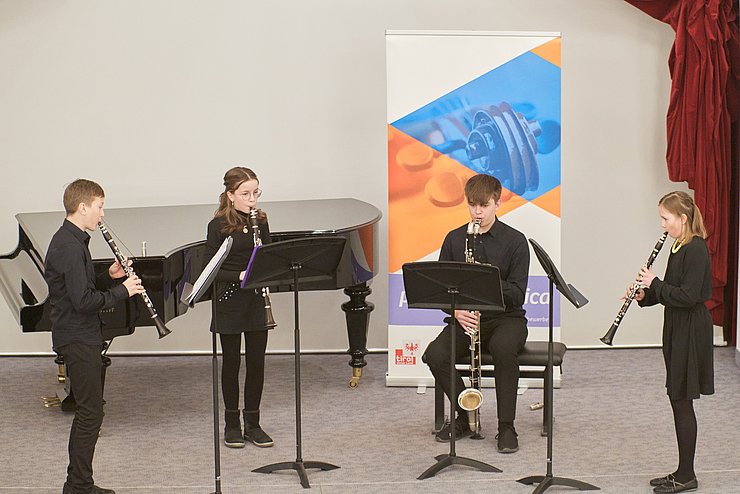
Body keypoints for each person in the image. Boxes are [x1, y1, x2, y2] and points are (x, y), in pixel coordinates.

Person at [45, 179, 145, 494]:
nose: (102, 214)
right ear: (83, 206)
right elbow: (83, 302)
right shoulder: (70, 247)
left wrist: (109, 276)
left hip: (80, 333)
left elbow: (82, 288)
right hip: (77, 337)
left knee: (91, 409)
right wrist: (123, 290)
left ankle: (80, 483)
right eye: (100, 207)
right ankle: (77, 486)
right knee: (90, 411)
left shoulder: (72, 240)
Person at [422, 173, 529, 453]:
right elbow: (440, 291)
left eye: (484, 205)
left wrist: (486, 279)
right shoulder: (455, 239)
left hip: (506, 318)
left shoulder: (515, 242)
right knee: (435, 354)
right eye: (472, 205)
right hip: (466, 317)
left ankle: (507, 426)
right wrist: (456, 312)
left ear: (498, 203)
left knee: (504, 348)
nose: (477, 212)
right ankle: (464, 414)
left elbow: (518, 294)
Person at [635, 191, 713, 494]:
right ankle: (681, 470)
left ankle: (687, 476)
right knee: (677, 397)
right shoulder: (679, 246)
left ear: (682, 218)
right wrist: (646, 295)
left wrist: (655, 283)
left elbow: (688, 296)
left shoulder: (695, 249)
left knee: (682, 399)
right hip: (677, 326)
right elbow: (671, 291)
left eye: (666, 219)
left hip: (691, 329)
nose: (663, 225)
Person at [204, 166, 274, 448]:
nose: (252, 199)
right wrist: (239, 275)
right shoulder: (218, 226)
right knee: (231, 364)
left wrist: (263, 271)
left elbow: (269, 257)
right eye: (245, 194)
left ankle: (253, 424)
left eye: (255, 192)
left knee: (257, 364)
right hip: (229, 301)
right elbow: (209, 270)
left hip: (256, 300)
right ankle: (231, 424)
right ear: (230, 195)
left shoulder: (262, 221)